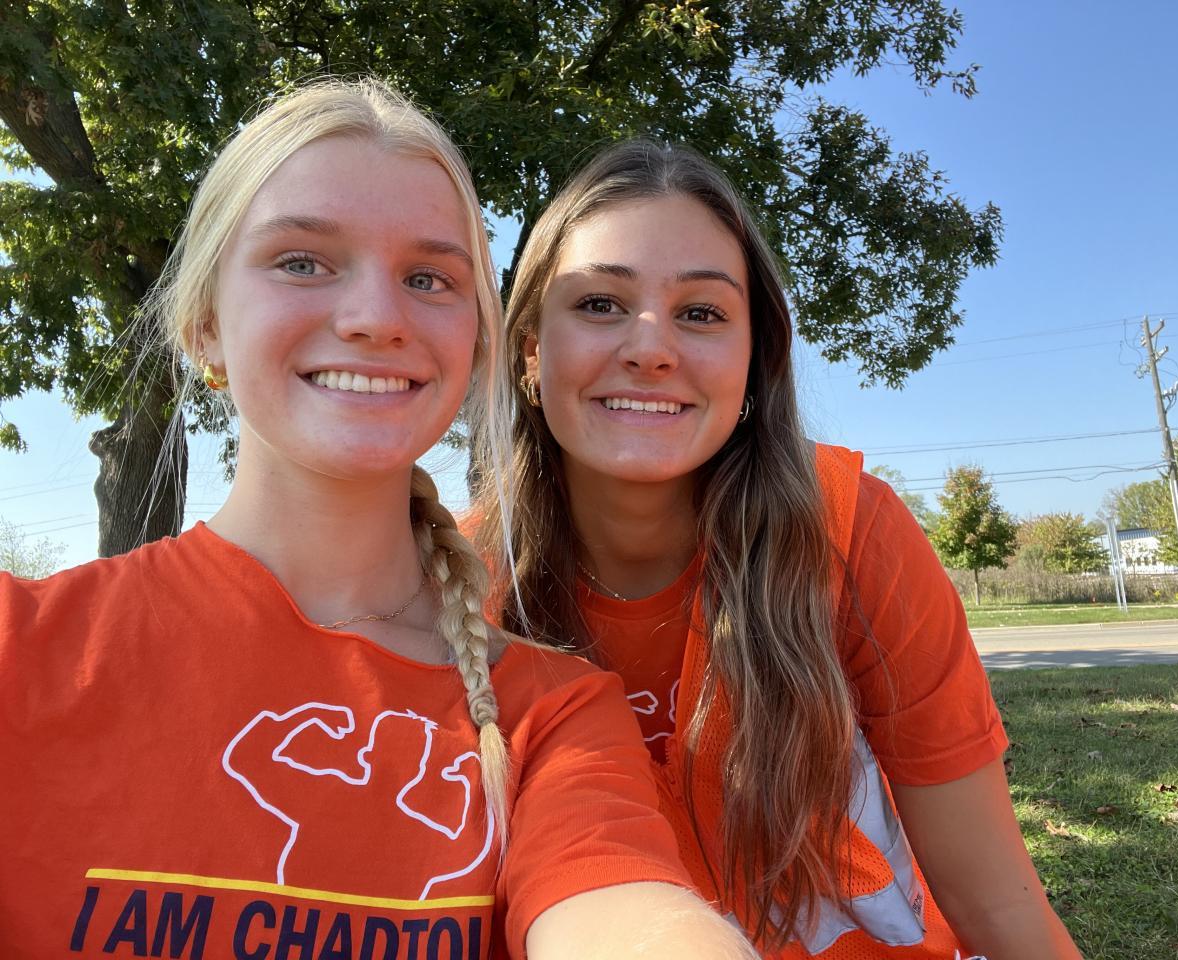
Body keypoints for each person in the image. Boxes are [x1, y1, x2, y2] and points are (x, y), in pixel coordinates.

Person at [0, 83, 756, 960]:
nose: (375, 319)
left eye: (429, 279)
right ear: (204, 324)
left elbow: (623, 909)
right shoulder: (24, 647)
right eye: (301, 262)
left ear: (476, 342)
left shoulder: (555, 715)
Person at [475, 140, 1084, 960]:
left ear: (755, 361)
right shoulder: (459, 580)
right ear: (529, 350)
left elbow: (1001, 907)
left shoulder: (852, 531)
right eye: (599, 303)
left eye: (702, 313)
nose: (651, 348)